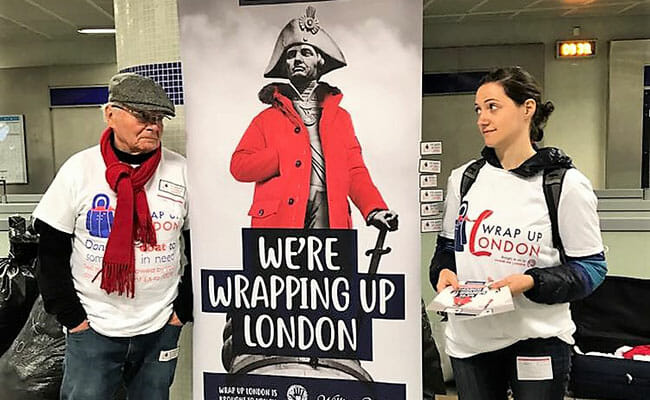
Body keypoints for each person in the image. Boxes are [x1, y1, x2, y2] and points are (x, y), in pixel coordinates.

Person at [429, 66, 607, 400]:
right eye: (478, 110)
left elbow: (592, 269)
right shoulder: (463, 179)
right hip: (470, 343)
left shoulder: (563, 184)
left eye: (493, 107)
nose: (483, 118)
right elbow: (446, 248)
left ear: (527, 109)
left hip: (537, 340)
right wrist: (443, 271)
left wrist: (531, 282)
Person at [33, 72, 192, 400]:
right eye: (143, 117)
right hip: (93, 328)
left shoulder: (181, 171)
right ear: (110, 115)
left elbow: (199, 247)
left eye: (159, 118)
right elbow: (50, 252)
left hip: (160, 327)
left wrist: (183, 311)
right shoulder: (80, 170)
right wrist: (73, 318)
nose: (154, 126)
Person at [230, 5, 398, 232]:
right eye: (291, 55)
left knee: (331, 269)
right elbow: (239, 167)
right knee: (282, 271)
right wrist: (281, 155)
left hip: (327, 213)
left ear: (320, 60)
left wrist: (374, 208)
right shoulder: (265, 119)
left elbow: (354, 170)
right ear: (285, 65)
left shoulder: (340, 118)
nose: (297, 59)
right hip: (279, 221)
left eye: (305, 53)